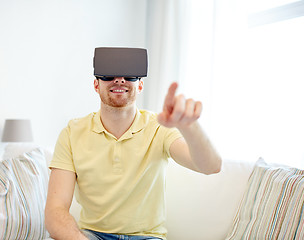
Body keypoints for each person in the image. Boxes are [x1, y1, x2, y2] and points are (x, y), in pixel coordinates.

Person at [45, 47, 222, 240]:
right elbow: (56, 211)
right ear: (96, 85)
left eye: (129, 76)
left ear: (140, 85)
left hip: (147, 237)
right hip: (91, 236)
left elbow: (211, 166)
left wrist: (189, 127)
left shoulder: (159, 127)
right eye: (108, 74)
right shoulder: (72, 132)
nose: (119, 79)